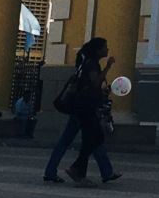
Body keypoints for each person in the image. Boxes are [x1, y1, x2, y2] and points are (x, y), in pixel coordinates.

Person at [43, 37, 120, 186]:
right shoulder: (91, 64)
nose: (107, 49)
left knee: (90, 139)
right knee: (91, 139)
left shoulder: (88, 63)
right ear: (98, 50)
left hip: (82, 107)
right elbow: (95, 82)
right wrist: (108, 67)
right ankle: (78, 171)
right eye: (105, 47)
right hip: (84, 108)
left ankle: (105, 171)